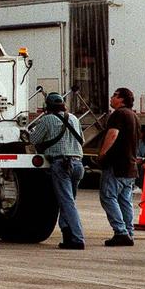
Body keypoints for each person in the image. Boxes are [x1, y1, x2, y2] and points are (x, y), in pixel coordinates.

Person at [29, 92, 86, 249]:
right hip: (78, 164)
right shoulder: (74, 118)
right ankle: (67, 234)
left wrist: (29, 131)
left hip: (61, 164)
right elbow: (82, 139)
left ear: (47, 106)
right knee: (68, 201)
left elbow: (33, 140)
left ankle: (77, 238)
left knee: (67, 203)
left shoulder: (47, 119)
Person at [96, 87, 140, 246]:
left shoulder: (118, 115)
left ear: (121, 99)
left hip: (116, 165)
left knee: (108, 197)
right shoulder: (134, 116)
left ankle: (120, 232)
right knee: (125, 200)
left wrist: (102, 153)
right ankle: (129, 232)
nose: (111, 98)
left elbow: (113, 134)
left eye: (115, 95)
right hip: (130, 166)